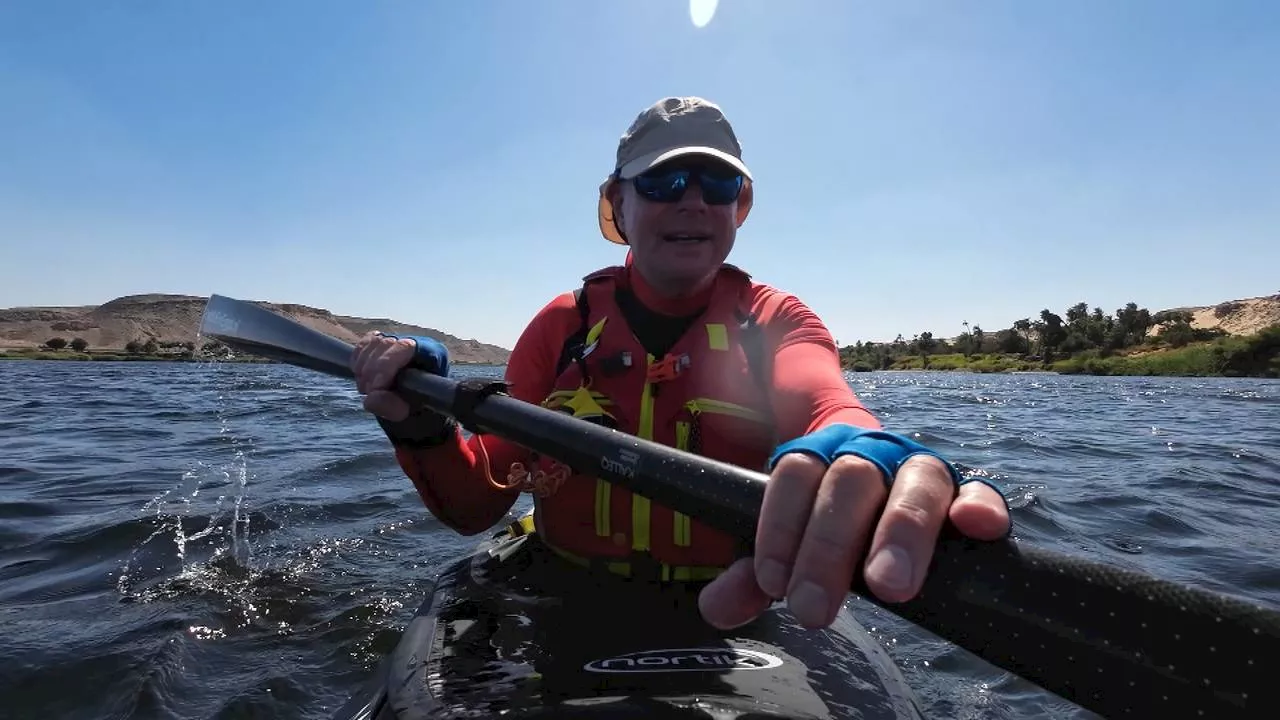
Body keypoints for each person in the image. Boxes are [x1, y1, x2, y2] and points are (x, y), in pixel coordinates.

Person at [351, 96, 1011, 631]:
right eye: (663, 181)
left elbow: (826, 400)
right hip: (561, 587)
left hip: (729, 606)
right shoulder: (563, 326)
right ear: (619, 204)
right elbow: (473, 505)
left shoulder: (778, 321)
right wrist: (424, 423)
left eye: (717, 183)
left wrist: (862, 446)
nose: (692, 200)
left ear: (737, 209)